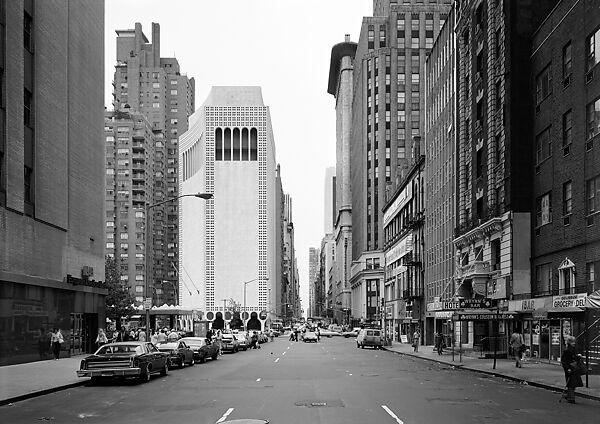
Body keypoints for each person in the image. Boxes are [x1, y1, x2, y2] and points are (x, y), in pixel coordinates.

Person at [561, 335, 584, 403]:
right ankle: (571, 398)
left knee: (573, 383)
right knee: (571, 383)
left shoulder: (573, 349)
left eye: (574, 342)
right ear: (569, 343)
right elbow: (564, 361)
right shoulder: (567, 351)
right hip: (570, 368)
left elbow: (574, 358)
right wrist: (567, 368)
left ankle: (568, 395)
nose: (574, 343)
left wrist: (578, 356)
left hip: (574, 368)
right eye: (572, 342)